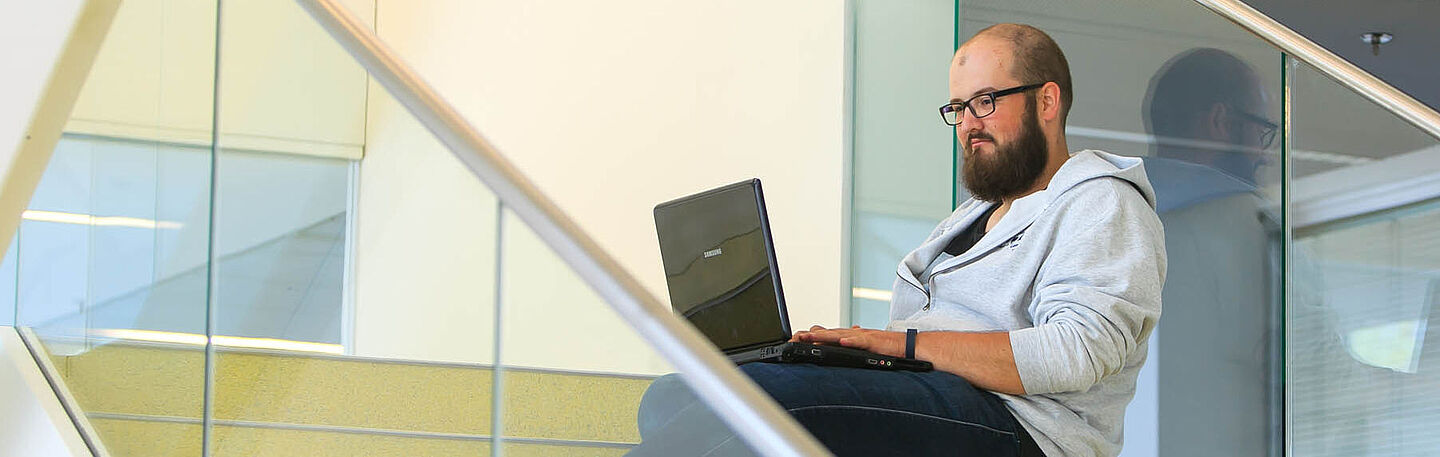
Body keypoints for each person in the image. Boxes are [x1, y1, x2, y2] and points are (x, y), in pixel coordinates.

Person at [630, 23, 1165, 457]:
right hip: (932, 393)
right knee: (672, 397)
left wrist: (901, 346)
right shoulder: (968, 218)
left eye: (985, 101)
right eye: (957, 109)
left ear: (1047, 102)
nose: (967, 125)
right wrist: (848, 356)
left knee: (768, 403)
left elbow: (1074, 353)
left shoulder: (1102, 203)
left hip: (1021, 428)